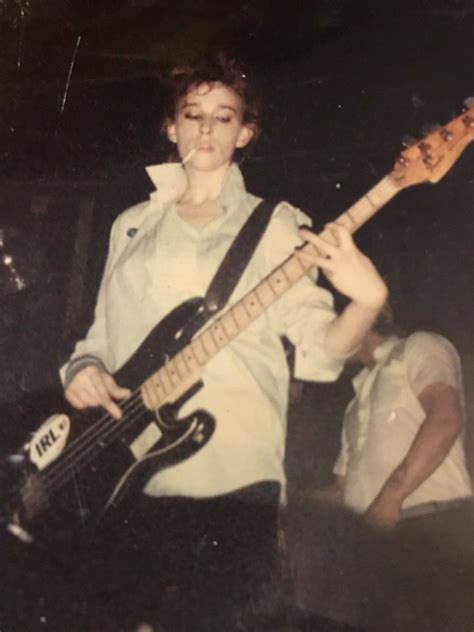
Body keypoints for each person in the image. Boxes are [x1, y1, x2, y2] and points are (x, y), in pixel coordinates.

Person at [59, 54, 387, 631]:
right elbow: (101, 338)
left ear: (246, 133)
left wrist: (366, 301)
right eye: (193, 113)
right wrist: (82, 368)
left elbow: (319, 353)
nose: (207, 128)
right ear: (172, 126)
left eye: (224, 115)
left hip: (231, 481)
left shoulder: (276, 225)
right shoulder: (131, 223)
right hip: (120, 479)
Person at [288, 305, 474, 631]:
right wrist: (289, 502)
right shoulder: (353, 404)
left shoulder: (419, 347)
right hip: (382, 546)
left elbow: (446, 419)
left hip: (434, 531)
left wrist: (392, 497)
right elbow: (342, 491)